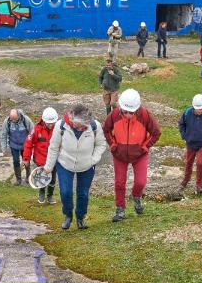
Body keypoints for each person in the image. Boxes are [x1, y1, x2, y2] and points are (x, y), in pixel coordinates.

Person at [44, 104, 107, 230]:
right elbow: (54, 147)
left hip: (86, 165)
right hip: (65, 163)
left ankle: (80, 217)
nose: (81, 128)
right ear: (72, 119)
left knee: (83, 193)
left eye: (84, 126)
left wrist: (93, 159)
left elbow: (101, 144)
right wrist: (48, 166)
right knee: (65, 192)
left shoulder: (95, 126)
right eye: (79, 125)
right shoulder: (61, 125)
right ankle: (68, 215)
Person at [103, 89, 161, 222]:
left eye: (131, 112)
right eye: (125, 112)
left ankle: (136, 196)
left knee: (141, 182)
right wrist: (113, 145)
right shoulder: (114, 114)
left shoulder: (145, 115)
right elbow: (106, 130)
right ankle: (120, 209)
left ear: (137, 108)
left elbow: (156, 133)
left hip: (140, 155)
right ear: (121, 107)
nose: (128, 115)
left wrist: (145, 146)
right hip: (119, 154)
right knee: (119, 183)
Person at [23, 107, 59, 204]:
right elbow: (28, 144)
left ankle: (50, 196)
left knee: (52, 180)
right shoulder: (36, 129)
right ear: (43, 120)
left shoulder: (58, 129)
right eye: (48, 123)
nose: (51, 125)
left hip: (53, 161)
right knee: (41, 178)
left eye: (53, 123)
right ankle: (41, 193)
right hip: (40, 160)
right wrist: (26, 158)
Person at [0, 108, 34, 186]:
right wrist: (4, 149)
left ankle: (28, 177)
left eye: (15, 119)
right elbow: (3, 135)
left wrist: (32, 145)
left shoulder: (26, 120)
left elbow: (32, 132)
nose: (13, 121)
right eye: (12, 119)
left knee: (26, 160)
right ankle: (18, 179)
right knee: (15, 161)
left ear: (18, 115)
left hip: (25, 145)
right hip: (14, 145)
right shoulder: (7, 121)